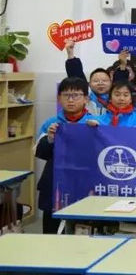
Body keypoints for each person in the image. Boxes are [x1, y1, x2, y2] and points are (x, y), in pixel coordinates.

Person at [36, 77, 98, 233]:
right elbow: (39, 153)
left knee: (83, 229)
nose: (71, 100)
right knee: (51, 231)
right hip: (55, 182)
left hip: (85, 183)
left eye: (76, 95)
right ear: (59, 98)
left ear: (86, 99)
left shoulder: (95, 123)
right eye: (66, 95)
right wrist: (50, 139)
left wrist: (97, 134)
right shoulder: (51, 123)